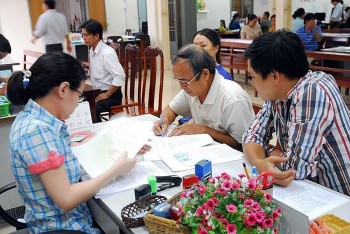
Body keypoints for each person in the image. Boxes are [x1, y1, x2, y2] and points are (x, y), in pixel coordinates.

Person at [7, 52, 136, 233]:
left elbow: (60, 155)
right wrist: (116, 170)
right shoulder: (37, 131)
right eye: (80, 95)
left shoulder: (35, 120)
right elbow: (66, 198)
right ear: (63, 89)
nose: (78, 103)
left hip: (72, 220)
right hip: (64, 227)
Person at [242, 29, 350, 196]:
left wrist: (267, 151)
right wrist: (260, 161)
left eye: (253, 77)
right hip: (311, 191)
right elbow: (251, 136)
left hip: (338, 196)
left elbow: (293, 170)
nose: (252, 83)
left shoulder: (312, 92)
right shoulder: (278, 94)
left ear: (274, 77)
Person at [153, 44, 254, 150]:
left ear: (205, 74)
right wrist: (164, 120)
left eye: (185, 80)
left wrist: (204, 130)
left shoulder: (232, 99)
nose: (181, 86)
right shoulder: (192, 89)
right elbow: (171, 109)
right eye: (177, 79)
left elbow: (243, 145)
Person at [80, 19, 125, 122]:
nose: (84, 38)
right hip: (97, 92)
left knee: (90, 111)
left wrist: (107, 94)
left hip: (111, 95)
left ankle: (100, 132)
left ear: (96, 36)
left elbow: (120, 76)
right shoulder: (92, 50)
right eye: (83, 35)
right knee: (80, 107)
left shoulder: (107, 53)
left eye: (86, 35)